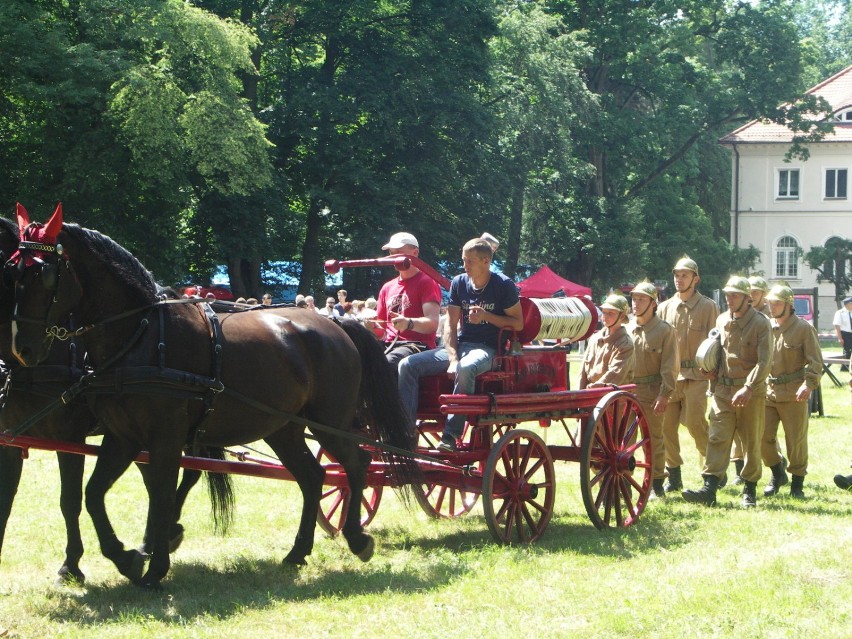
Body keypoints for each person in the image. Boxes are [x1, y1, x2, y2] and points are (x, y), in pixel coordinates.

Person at [398, 237, 524, 452]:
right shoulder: (459, 282)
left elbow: (518, 323)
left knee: (467, 368)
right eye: (463, 261)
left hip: (489, 349)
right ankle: (405, 432)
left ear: (486, 261)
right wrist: (453, 357)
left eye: (469, 262)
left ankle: (450, 436)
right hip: (461, 347)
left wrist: (487, 316)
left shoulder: (503, 285)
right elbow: (450, 325)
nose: (465, 266)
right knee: (407, 365)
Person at [682, 276, 772, 508]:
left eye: (735, 295)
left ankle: (749, 490)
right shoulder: (722, 320)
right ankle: (709, 487)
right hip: (722, 390)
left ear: (747, 298)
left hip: (750, 392)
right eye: (727, 295)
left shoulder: (761, 323)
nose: (729, 299)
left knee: (751, 440)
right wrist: (711, 370)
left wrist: (748, 387)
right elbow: (717, 352)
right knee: (717, 437)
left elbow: (764, 362)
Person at [657, 256, 719, 493]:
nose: (679, 279)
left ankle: (713, 466)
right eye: (676, 275)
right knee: (666, 427)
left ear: (696, 279)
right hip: (671, 377)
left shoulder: (708, 306)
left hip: (698, 374)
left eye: (684, 275)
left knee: (695, 422)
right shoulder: (664, 308)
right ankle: (674, 475)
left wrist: (714, 371)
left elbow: (717, 342)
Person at [761, 285, 822, 498]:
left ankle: (797, 483)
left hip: (794, 392)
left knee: (795, 440)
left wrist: (809, 384)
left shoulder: (803, 329)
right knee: (761, 436)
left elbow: (816, 361)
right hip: (769, 392)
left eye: (777, 302)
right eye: (770, 302)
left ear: (788, 304)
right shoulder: (766, 327)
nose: (772, 306)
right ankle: (777, 472)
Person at [627, 281, 678, 499]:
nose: (636, 304)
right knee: (624, 441)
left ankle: (656, 483)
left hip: (651, 390)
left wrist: (664, 394)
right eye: (634, 299)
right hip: (627, 391)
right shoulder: (626, 328)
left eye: (642, 299)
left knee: (654, 439)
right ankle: (623, 483)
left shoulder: (664, 331)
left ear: (653, 303)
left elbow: (670, 366)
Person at [365, 232, 442, 377]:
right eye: (391, 253)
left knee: (387, 363)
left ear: (415, 253)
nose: (393, 257)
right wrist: (372, 327)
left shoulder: (427, 282)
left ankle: (389, 400)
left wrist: (408, 323)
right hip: (391, 345)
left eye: (398, 252)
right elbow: (382, 331)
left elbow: (433, 323)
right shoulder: (387, 287)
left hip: (418, 345)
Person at [730, 275, 774, 484]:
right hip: (730, 386)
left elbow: (765, 360)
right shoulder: (728, 319)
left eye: (757, 292)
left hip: (757, 385)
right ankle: (730, 475)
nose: (754, 296)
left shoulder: (762, 321)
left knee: (757, 437)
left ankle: (775, 470)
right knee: (729, 437)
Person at [579, 294, 634, 389]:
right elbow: (583, 372)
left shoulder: (625, 345)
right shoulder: (594, 338)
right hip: (590, 395)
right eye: (604, 312)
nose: (605, 316)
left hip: (613, 399)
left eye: (611, 313)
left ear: (622, 316)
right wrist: (580, 396)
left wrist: (591, 390)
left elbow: (614, 375)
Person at [832, 296, 852, 371]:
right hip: (845, 334)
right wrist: (840, 338)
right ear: (848, 304)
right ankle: (845, 368)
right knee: (847, 350)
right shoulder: (840, 313)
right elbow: (837, 326)